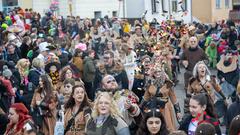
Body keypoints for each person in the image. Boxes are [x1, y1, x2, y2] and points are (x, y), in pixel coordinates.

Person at [142, 63, 181, 132]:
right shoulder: (149, 83)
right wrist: (140, 108)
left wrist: (178, 111)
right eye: (155, 72)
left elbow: (174, 98)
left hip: (166, 108)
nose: (157, 73)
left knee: (168, 127)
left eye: (159, 71)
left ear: (162, 72)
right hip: (153, 107)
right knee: (154, 127)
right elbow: (145, 98)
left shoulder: (168, 83)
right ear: (153, 73)